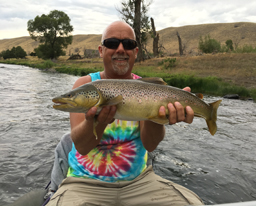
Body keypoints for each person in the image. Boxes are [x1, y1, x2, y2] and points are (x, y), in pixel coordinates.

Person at [46, 21, 204, 206]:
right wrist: (97, 122)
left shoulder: (149, 88)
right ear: (101, 50)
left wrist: (158, 117)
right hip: (85, 183)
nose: (120, 49)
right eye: (112, 43)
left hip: (139, 183)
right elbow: (81, 147)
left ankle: (208, 111)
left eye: (128, 44)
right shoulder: (84, 84)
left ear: (135, 52)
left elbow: (150, 145)